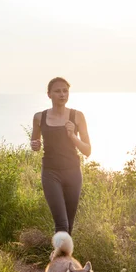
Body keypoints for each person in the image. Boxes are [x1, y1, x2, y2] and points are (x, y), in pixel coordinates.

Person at [30, 77, 91, 235]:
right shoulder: (39, 117)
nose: (62, 94)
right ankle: (60, 259)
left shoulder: (77, 116)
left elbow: (87, 150)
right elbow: (35, 142)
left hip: (73, 173)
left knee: (68, 226)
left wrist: (72, 136)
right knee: (62, 225)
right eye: (57, 91)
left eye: (65, 90)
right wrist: (35, 145)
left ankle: (63, 259)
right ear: (49, 94)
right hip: (51, 173)